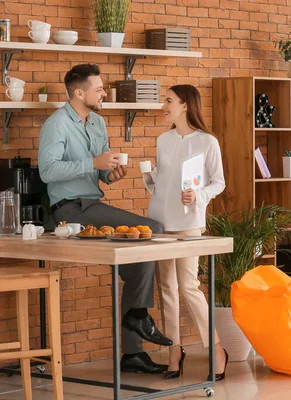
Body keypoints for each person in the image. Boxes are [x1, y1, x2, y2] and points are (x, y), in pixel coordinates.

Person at [38, 63, 172, 373]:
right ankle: (138, 317)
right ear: (79, 92)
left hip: (92, 204)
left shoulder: (96, 122)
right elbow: (48, 172)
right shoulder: (56, 125)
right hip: (69, 210)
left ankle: (132, 352)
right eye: (99, 88)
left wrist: (110, 173)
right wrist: (91, 162)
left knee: (139, 259)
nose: (104, 93)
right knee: (150, 230)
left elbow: (101, 173)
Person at [142, 85, 228, 380]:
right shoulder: (163, 140)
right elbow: (161, 185)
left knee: (188, 287)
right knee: (166, 288)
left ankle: (216, 348)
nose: (163, 105)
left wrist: (199, 195)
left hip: (189, 224)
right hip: (160, 223)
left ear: (185, 105)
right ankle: (174, 350)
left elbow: (219, 183)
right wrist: (149, 178)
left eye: (168, 101)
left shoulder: (207, 142)